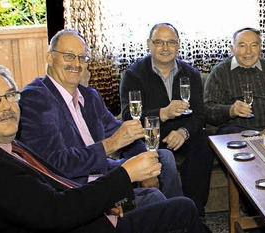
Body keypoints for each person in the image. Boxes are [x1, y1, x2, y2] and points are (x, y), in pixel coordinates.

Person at [0, 62, 206, 232]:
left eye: (9, 95)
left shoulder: (0, 145)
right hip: (86, 220)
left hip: (90, 202)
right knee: (182, 208)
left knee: (159, 182)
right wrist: (125, 174)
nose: (6, 106)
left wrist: (113, 195)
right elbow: (57, 205)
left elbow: (52, 182)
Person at [17, 29, 183, 206]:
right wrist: (111, 144)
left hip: (104, 171)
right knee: (156, 198)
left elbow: (122, 133)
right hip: (77, 187)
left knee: (163, 157)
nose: (76, 64)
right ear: (50, 58)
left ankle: (173, 215)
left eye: (82, 58)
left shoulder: (89, 96)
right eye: (68, 56)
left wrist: (146, 164)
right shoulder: (35, 99)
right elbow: (57, 164)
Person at [120, 23, 214, 215]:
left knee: (205, 141)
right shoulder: (133, 75)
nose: (165, 48)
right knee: (166, 158)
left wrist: (183, 132)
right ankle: (175, 214)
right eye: (159, 42)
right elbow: (129, 117)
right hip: (147, 139)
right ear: (149, 44)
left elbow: (199, 115)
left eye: (171, 42)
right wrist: (163, 113)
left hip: (180, 136)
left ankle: (194, 211)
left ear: (178, 44)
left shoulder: (191, 74)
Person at [204, 27, 265, 134]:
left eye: (254, 45)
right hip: (234, 131)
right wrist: (230, 110)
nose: (248, 51)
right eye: (242, 46)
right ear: (232, 49)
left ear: (260, 47)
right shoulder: (220, 72)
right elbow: (208, 109)